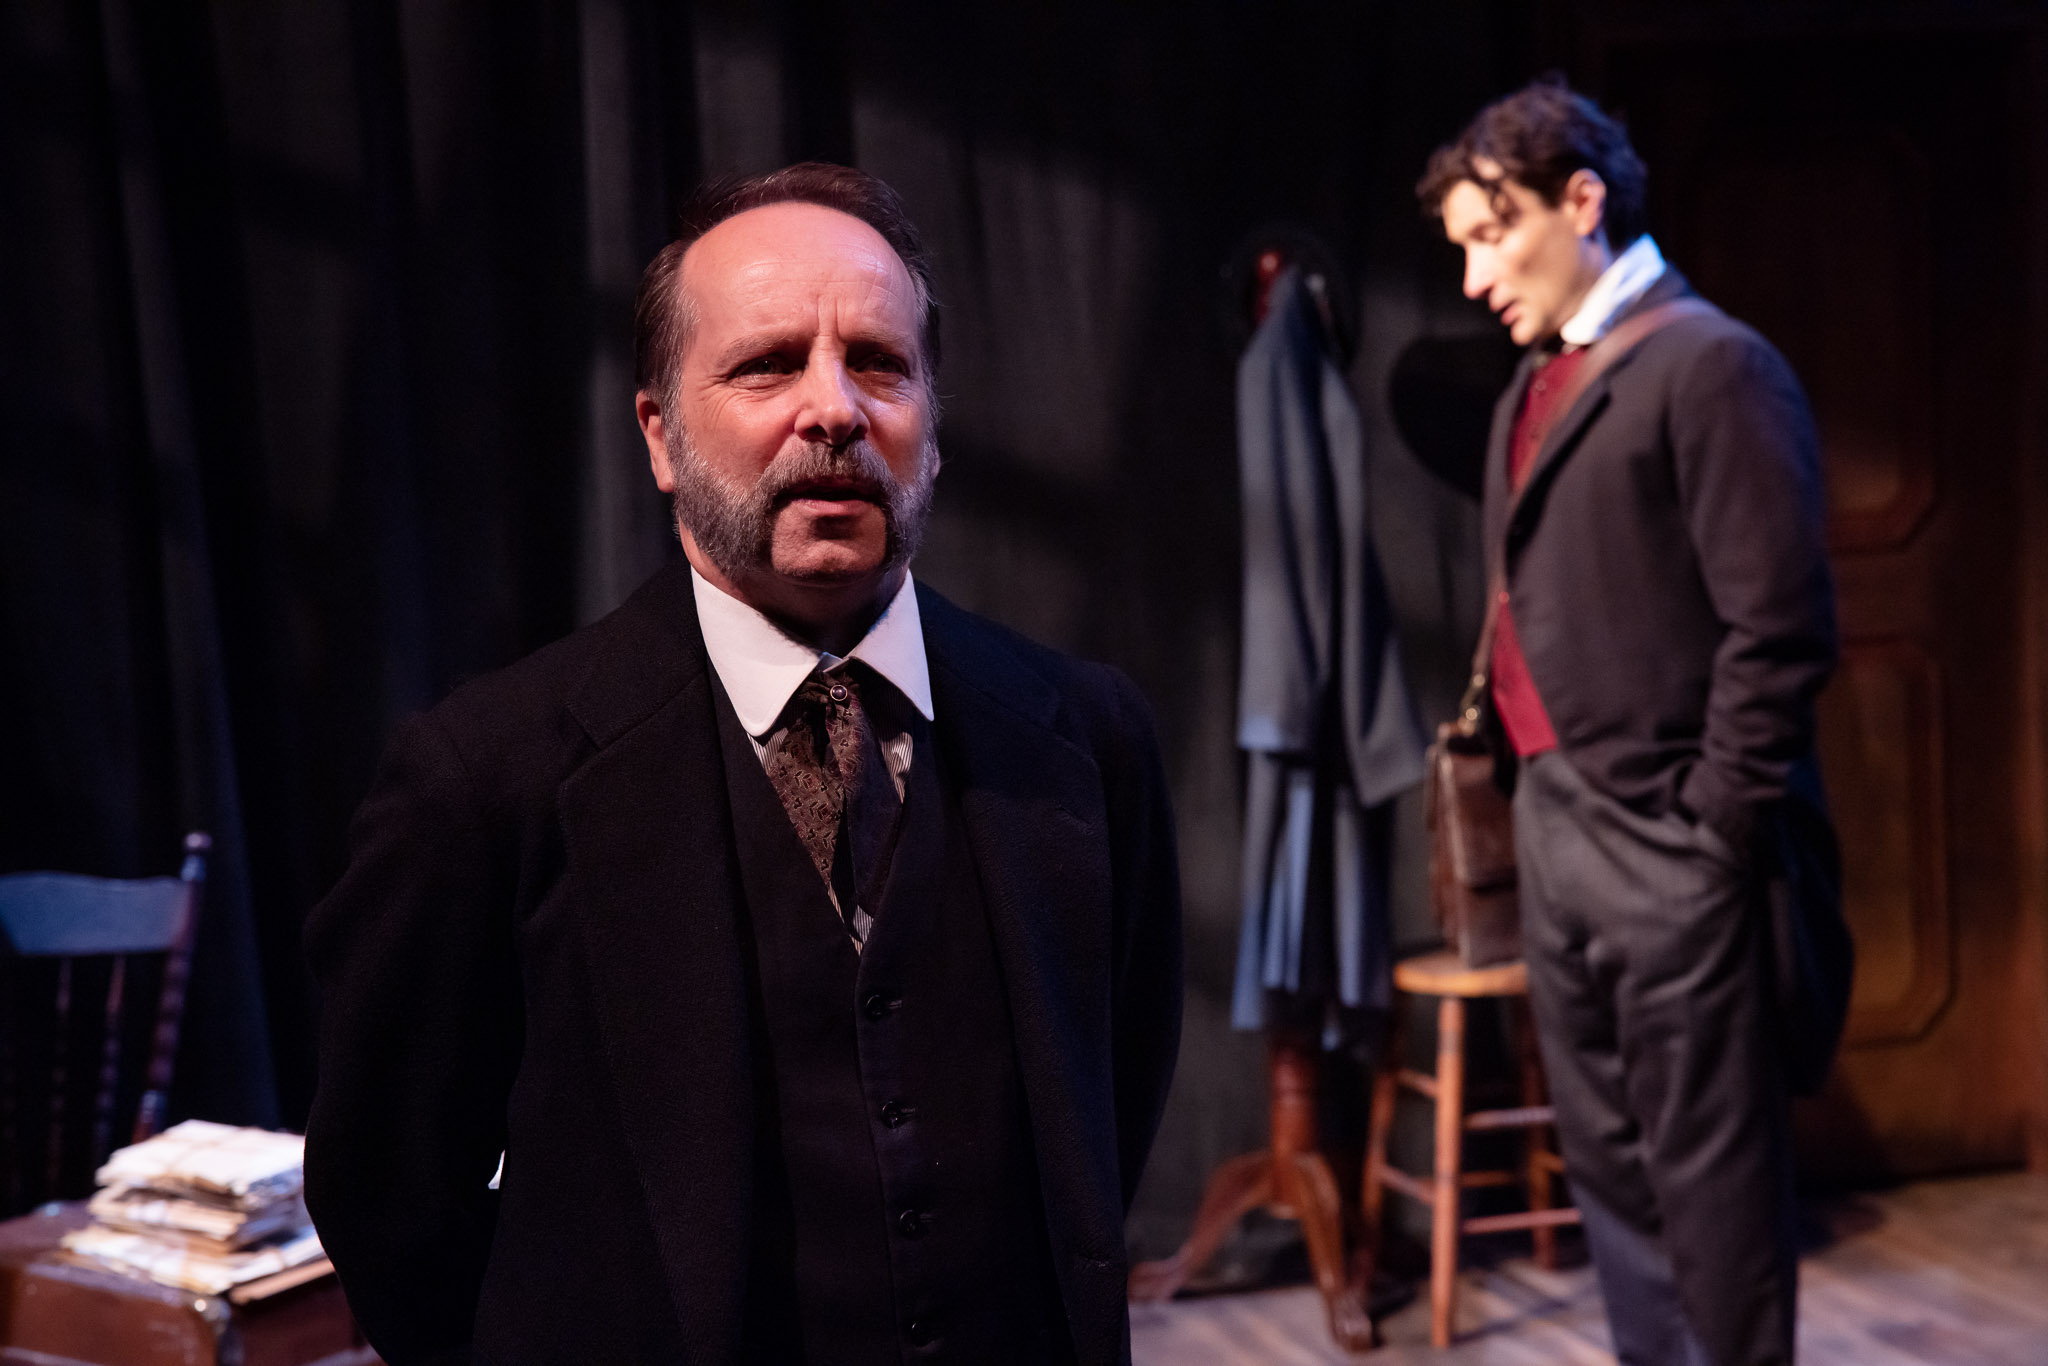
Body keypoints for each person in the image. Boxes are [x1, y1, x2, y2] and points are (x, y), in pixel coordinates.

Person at [304, 163, 1183, 1366]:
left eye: (878, 363)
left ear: (933, 419)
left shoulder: (1087, 738)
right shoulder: (481, 780)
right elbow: (392, 1196)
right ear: (661, 433)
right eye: (767, 364)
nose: (834, 408)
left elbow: (1108, 1103)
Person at [1417, 82, 1840, 1366]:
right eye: (1461, 251)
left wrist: (1705, 833)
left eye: (1494, 234)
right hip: (1557, 837)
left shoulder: (1709, 365)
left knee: (1711, 1205)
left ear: (1580, 199)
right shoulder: (1527, 394)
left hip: (1671, 847)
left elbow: (1779, 632)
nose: (1478, 276)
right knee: (1610, 1182)